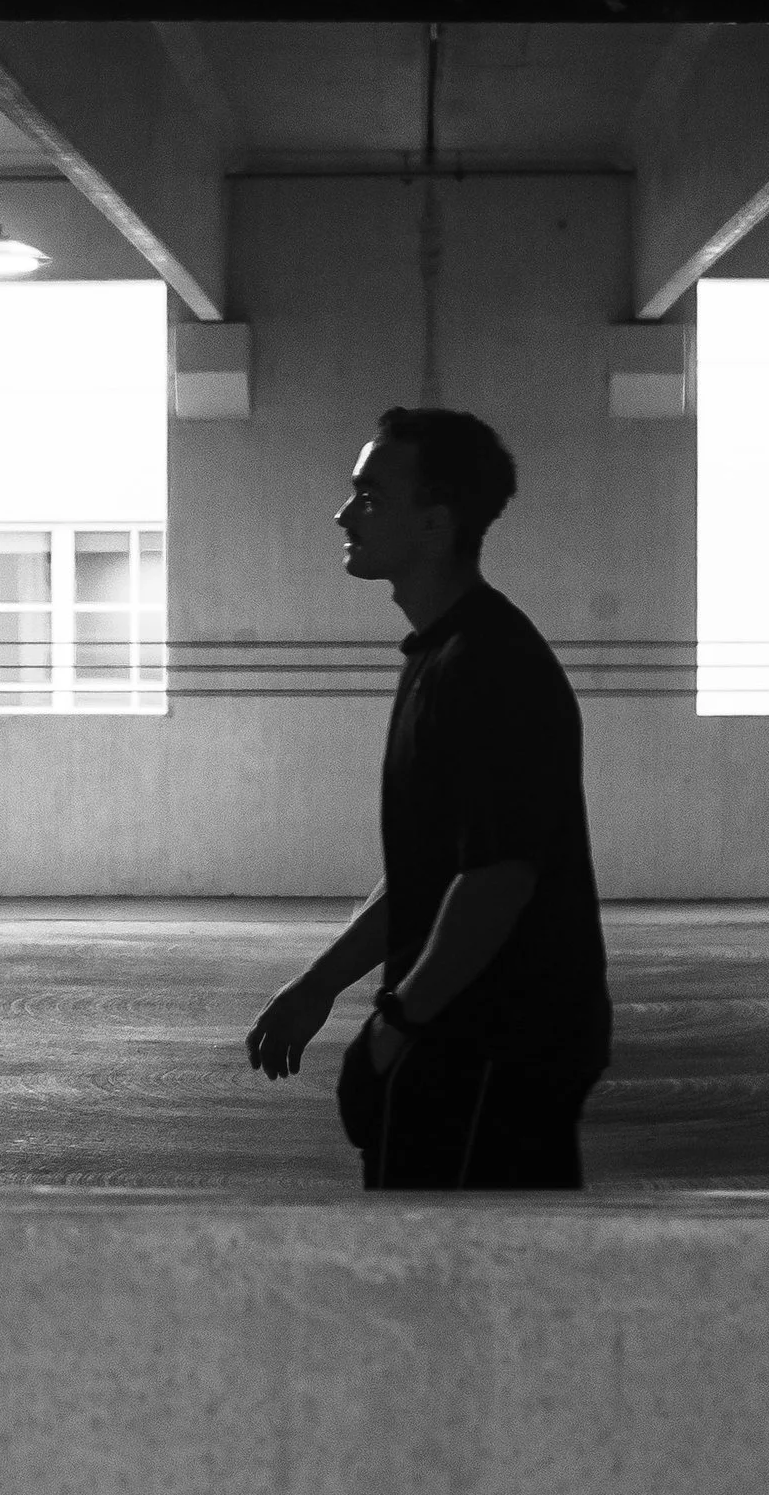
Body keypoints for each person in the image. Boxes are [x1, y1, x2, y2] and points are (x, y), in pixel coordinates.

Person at [244, 406, 611, 1190]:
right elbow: (434, 873)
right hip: (458, 1039)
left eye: (370, 496)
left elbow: (496, 881)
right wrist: (321, 984)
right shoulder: (442, 655)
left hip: (494, 1052)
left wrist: (395, 1026)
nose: (344, 513)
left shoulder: (488, 667)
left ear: (436, 523)